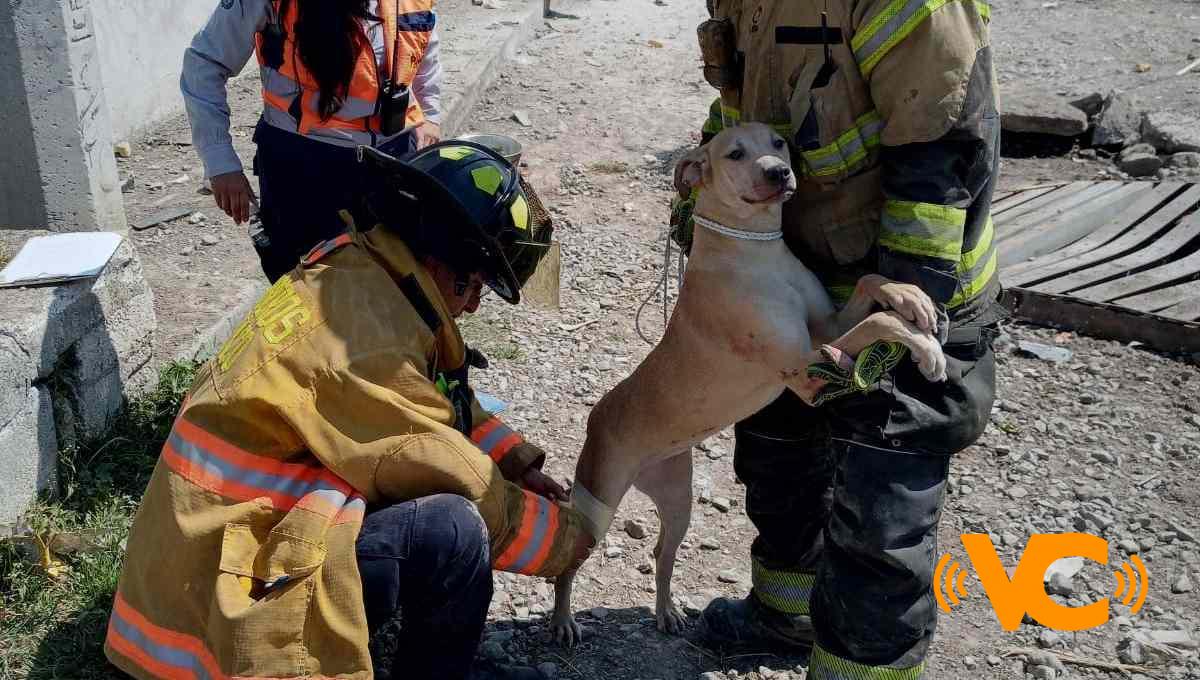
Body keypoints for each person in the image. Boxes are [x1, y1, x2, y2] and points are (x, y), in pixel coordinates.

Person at [104, 141, 592, 680]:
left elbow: (431, 398)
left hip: (201, 554)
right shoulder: (366, 343)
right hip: (211, 608)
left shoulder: (364, 275)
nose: (474, 304)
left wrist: (515, 458)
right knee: (453, 531)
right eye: (473, 284)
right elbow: (453, 468)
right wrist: (568, 539)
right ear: (436, 257)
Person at [675, 1, 1005, 677]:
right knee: (779, 458)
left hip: (909, 284)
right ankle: (786, 615)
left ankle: (861, 666)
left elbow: (941, 155)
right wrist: (703, 216)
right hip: (795, 281)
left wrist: (902, 316)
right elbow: (742, 110)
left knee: (879, 510)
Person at [181, 0, 445, 281]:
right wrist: (220, 160)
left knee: (396, 286)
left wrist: (430, 115)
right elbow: (204, 64)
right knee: (308, 295)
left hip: (394, 162)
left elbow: (421, 44)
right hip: (304, 171)